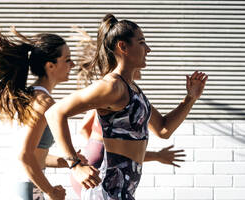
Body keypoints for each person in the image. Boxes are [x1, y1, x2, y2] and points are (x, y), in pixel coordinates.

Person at [45, 14, 208, 199]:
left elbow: (163, 129)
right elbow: (54, 113)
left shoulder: (132, 89)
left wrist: (190, 98)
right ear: (123, 46)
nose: (148, 49)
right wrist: (75, 165)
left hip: (123, 191)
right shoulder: (111, 86)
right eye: (141, 42)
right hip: (107, 191)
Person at [0, 22, 77, 200]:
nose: (73, 64)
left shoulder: (30, 96)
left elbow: (34, 154)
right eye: (67, 59)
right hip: (25, 186)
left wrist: (66, 162)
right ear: (50, 66)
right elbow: (25, 156)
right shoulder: (43, 102)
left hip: (17, 184)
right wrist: (51, 192)